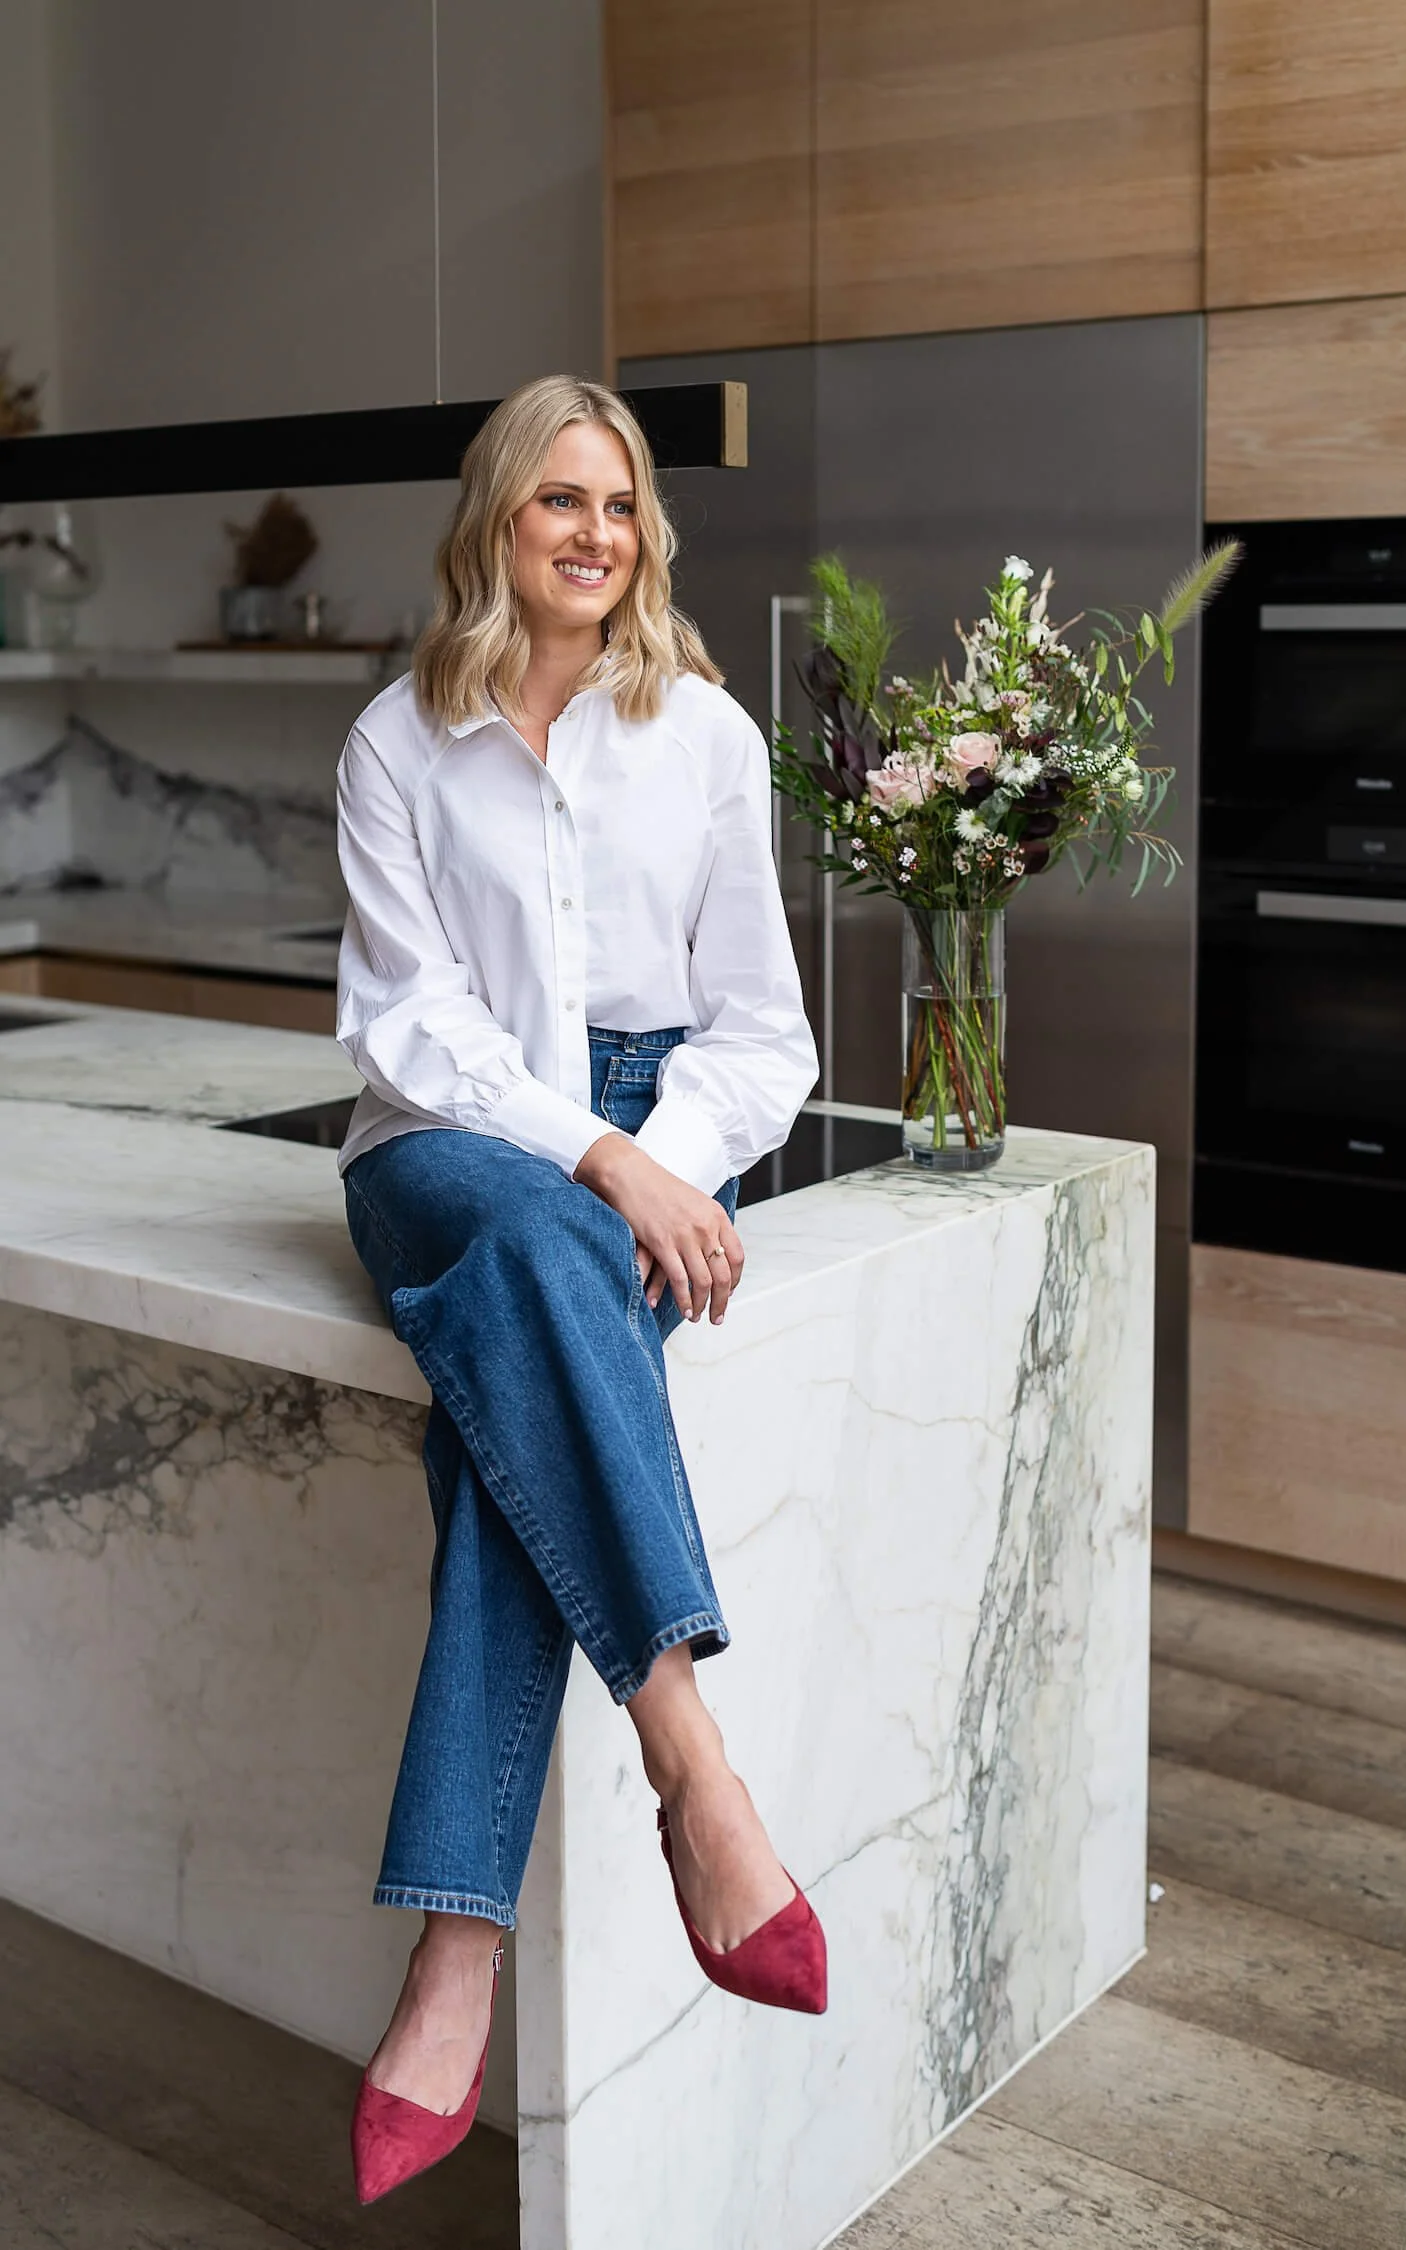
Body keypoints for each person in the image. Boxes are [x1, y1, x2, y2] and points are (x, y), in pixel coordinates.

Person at [334, 374, 826, 2204]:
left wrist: (662, 1144)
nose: (595, 536)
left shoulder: (701, 732)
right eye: (561, 502)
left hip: (647, 1120)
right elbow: (411, 1028)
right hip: (439, 1138)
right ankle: (691, 1754)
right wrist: (608, 1162)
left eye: (619, 507)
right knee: (542, 1245)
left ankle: (455, 1949)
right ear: (498, 520)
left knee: (505, 1407)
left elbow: (762, 1031)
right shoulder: (398, 738)